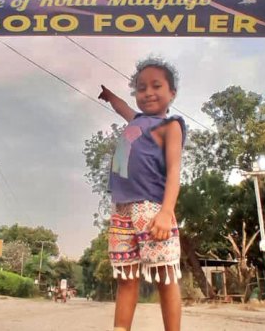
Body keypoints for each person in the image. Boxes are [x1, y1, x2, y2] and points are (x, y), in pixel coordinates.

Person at [98, 57, 186, 331]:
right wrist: (111, 96)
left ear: (172, 93)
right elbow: (123, 107)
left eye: (156, 86)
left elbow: (174, 172)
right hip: (122, 209)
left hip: (153, 210)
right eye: (141, 88)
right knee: (126, 277)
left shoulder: (170, 126)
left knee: (165, 277)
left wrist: (166, 212)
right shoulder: (135, 120)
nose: (147, 92)